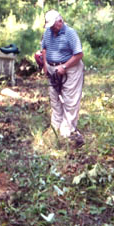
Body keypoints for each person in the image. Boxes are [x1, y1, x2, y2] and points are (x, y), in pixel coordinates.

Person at [41, 10, 85, 147]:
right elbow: (44, 49)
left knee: (70, 99)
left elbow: (79, 54)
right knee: (54, 98)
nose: (53, 28)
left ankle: (67, 129)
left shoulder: (70, 33)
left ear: (60, 21)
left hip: (70, 69)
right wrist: (45, 65)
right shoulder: (48, 32)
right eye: (51, 26)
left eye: (54, 25)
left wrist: (64, 67)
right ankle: (56, 126)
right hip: (52, 68)